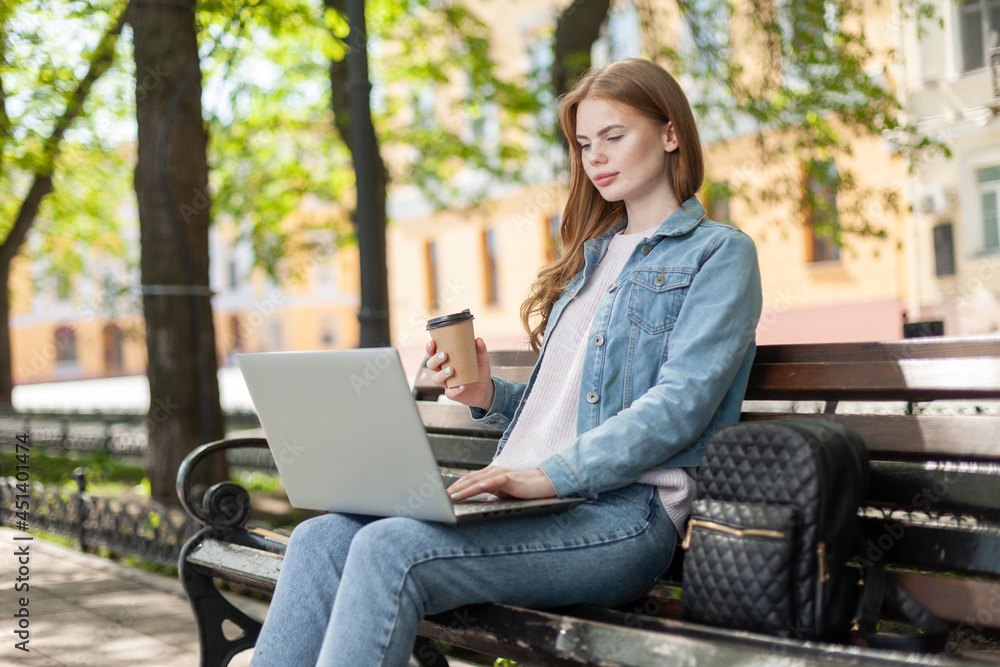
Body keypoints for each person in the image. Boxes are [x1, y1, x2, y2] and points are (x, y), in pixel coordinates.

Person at [250, 57, 762, 667]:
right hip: (532, 505)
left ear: (671, 133)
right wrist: (489, 397)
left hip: (622, 517)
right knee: (319, 537)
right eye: (583, 143)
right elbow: (568, 411)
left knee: (390, 549)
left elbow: (680, 406)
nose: (594, 157)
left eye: (614, 136)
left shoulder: (719, 255)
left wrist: (549, 477)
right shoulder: (588, 261)